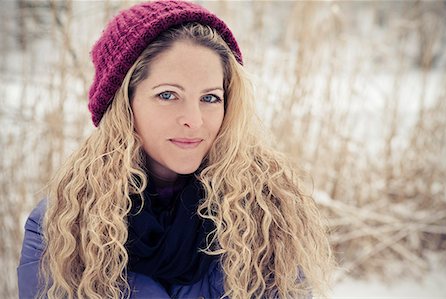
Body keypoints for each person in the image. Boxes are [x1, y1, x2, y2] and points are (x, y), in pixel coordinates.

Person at [17, 1, 334, 298]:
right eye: (168, 95)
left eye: (210, 98)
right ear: (124, 104)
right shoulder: (64, 225)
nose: (194, 121)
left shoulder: (267, 215)